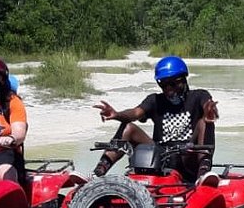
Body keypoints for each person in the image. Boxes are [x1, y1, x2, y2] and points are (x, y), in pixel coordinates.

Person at [91, 55, 219, 182]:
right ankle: (98, 173)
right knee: (128, 127)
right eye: (164, 85)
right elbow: (135, 113)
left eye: (172, 84)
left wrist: (211, 113)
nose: (169, 90)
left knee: (205, 122)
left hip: (188, 156)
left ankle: (203, 174)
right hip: (161, 157)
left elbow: (209, 107)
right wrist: (117, 115)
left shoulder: (199, 96)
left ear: (183, 80)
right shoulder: (155, 100)